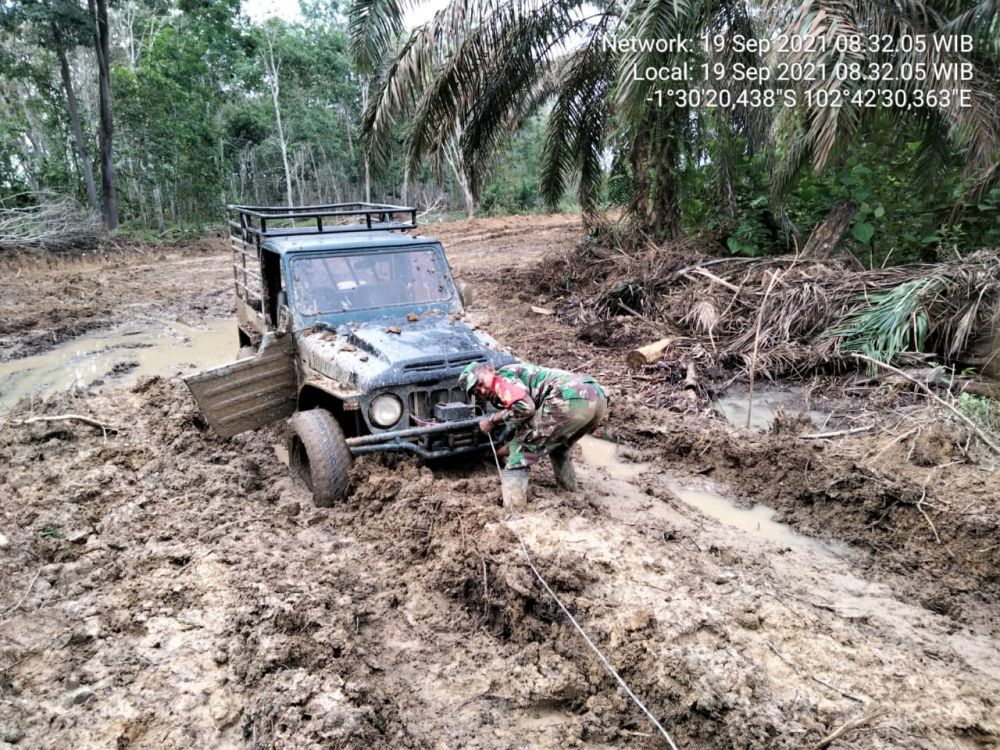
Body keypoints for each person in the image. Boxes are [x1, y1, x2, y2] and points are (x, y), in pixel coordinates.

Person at [458, 361, 608, 507]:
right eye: (476, 392)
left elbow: (525, 408)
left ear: (490, 370)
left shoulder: (501, 378)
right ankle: (570, 494)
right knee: (558, 445)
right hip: (597, 397)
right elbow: (525, 419)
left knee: (520, 449)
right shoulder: (515, 375)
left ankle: (514, 508)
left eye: (480, 383)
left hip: (571, 397)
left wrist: (493, 420)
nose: (482, 391)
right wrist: (497, 452)